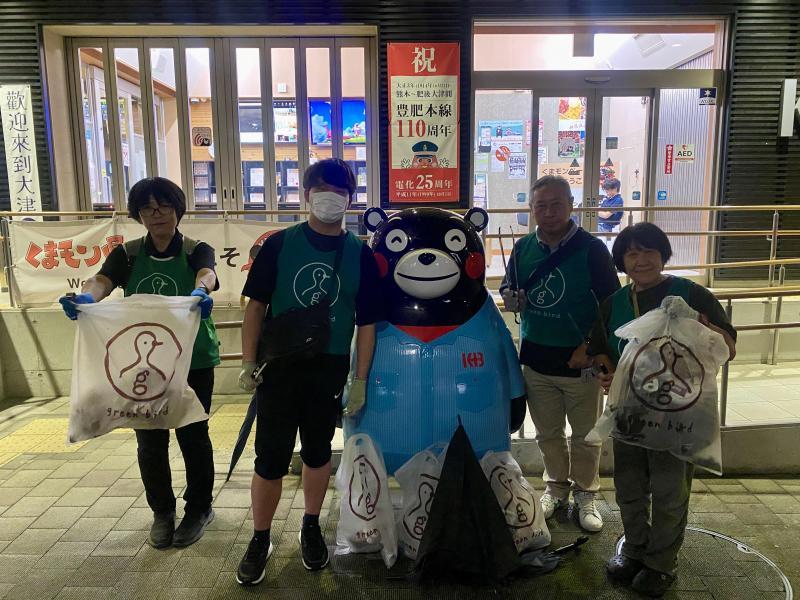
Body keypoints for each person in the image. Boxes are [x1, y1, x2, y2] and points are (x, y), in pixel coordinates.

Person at [236, 158, 382, 586]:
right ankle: (260, 537)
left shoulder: (361, 254)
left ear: (350, 199)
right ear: (305, 194)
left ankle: (312, 525)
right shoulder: (279, 245)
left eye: (339, 190)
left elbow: (367, 323)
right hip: (280, 369)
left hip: (329, 368)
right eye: (320, 188)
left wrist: (359, 380)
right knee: (270, 459)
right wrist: (248, 362)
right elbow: (256, 308)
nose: (329, 197)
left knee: (318, 453)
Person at [59, 177, 220, 549]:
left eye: (163, 205)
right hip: (144, 367)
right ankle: (162, 511)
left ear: (178, 209)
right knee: (149, 437)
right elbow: (101, 281)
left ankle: (199, 508)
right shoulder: (128, 254)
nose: (156, 213)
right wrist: (85, 299)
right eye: (147, 207)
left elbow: (207, 272)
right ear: (138, 215)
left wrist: (201, 291)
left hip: (193, 360)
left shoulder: (196, 248)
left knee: (193, 436)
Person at [587, 222, 736, 597]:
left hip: (679, 415)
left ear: (663, 255)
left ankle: (661, 563)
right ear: (621, 261)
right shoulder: (616, 303)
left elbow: (729, 347)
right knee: (630, 485)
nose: (641, 260)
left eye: (649, 251)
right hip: (630, 412)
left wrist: (702, 325)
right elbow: (601, 347)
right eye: (632, 253)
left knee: (670, 489)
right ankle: (635, 549)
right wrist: (606, 371)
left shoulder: (691, 294)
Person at [500, 175, 620, 533]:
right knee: (547, 434)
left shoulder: (592, 249)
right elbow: (509, 285)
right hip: (537, 359)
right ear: (532, 209)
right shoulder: (522, 248)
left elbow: (611, 305)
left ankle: (587, 493)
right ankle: (555, 489)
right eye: (541, 206)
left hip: (579, 361)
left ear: (572, 205)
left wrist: (592, 347)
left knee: (586, 435)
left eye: (556, 204)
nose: (549, 212)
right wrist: (511, 296)